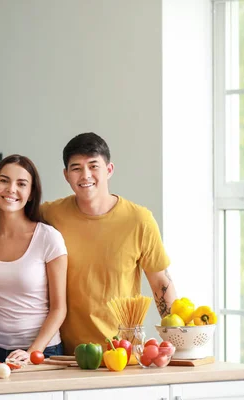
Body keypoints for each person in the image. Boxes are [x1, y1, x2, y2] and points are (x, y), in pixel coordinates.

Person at [40, 132, 178, 355]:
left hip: (124, 354)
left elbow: (161, 282)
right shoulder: (50, 214)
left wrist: (178, 344)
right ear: (66, 175)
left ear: (109, 169)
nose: (85, 175)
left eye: (94, 166)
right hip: (66, 355)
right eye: (76, 168)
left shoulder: (139, 220)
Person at [0, 155, 67, 364]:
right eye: (4, 180)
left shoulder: (48, 237)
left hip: (41, 351)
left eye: (21, 183)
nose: (11, 189)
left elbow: (59, 308)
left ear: (31, 192)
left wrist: (33, 351)